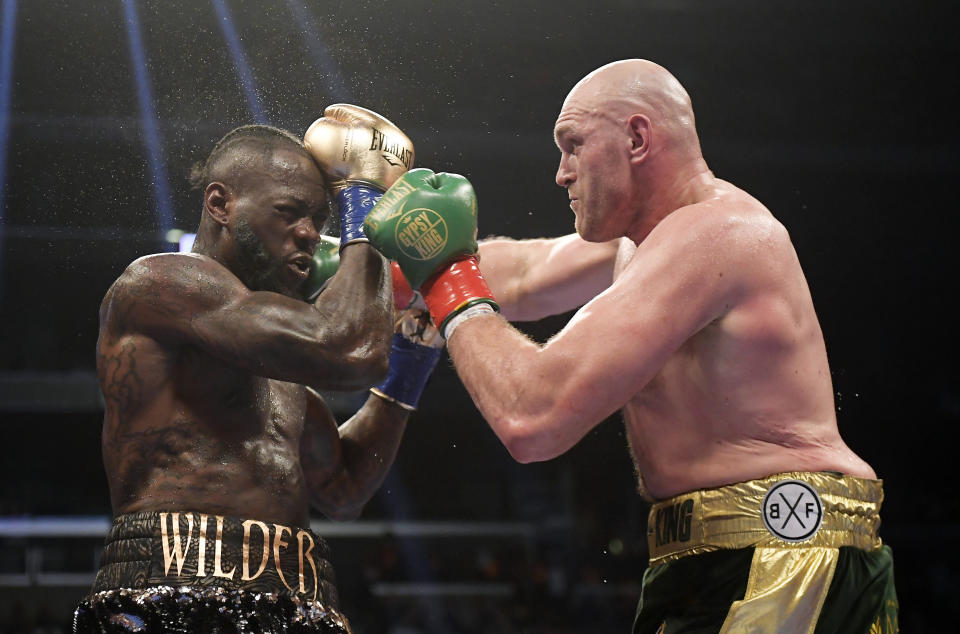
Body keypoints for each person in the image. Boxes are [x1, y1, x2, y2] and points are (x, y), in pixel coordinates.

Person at [364, 60, 898, 632]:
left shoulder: (718, 233)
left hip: (782, 552)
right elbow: (520, 274)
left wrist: (445, 278)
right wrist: (359, 267)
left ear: (637, 139)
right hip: (710, 556)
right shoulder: (647, 242)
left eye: (574, 145)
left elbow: (533, 414)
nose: (561, 174)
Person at [73, 108, 443, 633]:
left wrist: (411, 363)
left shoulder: (278, 363)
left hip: (298, 593)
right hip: (174, 586)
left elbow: (341, 489)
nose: (311, 234)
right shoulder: (162, 285)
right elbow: (350, 349)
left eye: (320, 219)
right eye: (290, 212)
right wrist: (366, 198)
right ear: (221, 204)